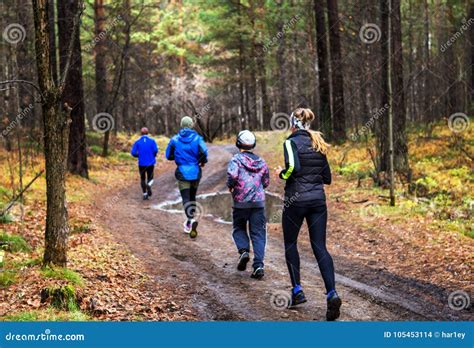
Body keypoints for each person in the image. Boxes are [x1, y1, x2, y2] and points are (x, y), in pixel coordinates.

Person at [278, 108, 342, 321]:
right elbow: (327, 177)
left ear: (293, 123)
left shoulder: (290, 142)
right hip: (317, 201)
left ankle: (297, 290)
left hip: (295, 200)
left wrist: (281, 173)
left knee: (290, 243)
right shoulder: (318, 143)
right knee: (319, 246)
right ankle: (332, 293)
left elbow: (292, 169)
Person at [227, 130, 269, 279]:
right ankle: (258, 265)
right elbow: (266, 182)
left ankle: (244, 251)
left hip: (240, 202)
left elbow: (232, 175)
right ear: (253, 144)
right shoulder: (262, 162)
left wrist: (230, 186)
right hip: (258, 203)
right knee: (258, 233)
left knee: (238, 228)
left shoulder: (235, 160)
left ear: (238, 143)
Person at [165, 116, 208, 238]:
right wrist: (202, 161)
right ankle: (190, 220)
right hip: (195, 172)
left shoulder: (174, 140)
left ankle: (190, 220)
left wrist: (177, 156)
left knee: (185, 198)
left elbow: (168, 155)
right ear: (191, 126)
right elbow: (204, 153)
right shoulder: (198, 139)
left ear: (181, 125)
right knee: (192, 196)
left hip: (182, 172)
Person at [131, 127, 158, 200]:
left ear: (141, 133)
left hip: (141, 163)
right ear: (148, 133)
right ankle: (149, 185)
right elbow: (155, 150)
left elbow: (133, 153)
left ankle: (145, 194)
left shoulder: (137, 142)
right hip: (150, 163)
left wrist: (138, 155)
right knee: (150, 177)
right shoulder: (152, 141)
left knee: (142, 178)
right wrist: (153, 155)